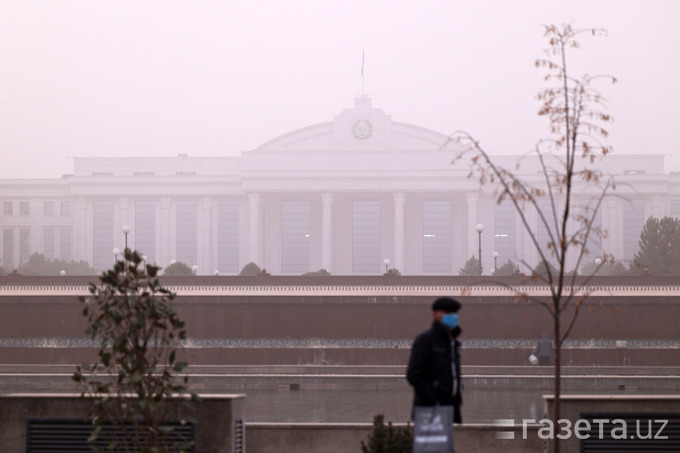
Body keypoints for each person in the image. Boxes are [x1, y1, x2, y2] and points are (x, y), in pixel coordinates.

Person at [407, 297, 462, 451]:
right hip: (430, 409)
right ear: (435, 314)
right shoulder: (426, 340)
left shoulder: (452, 342)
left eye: (455, 313)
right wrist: (434, 397)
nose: (453, 316)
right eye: (448, 312)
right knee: (428, 448)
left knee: (444, 448)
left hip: (447, 408)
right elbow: (414, 374)